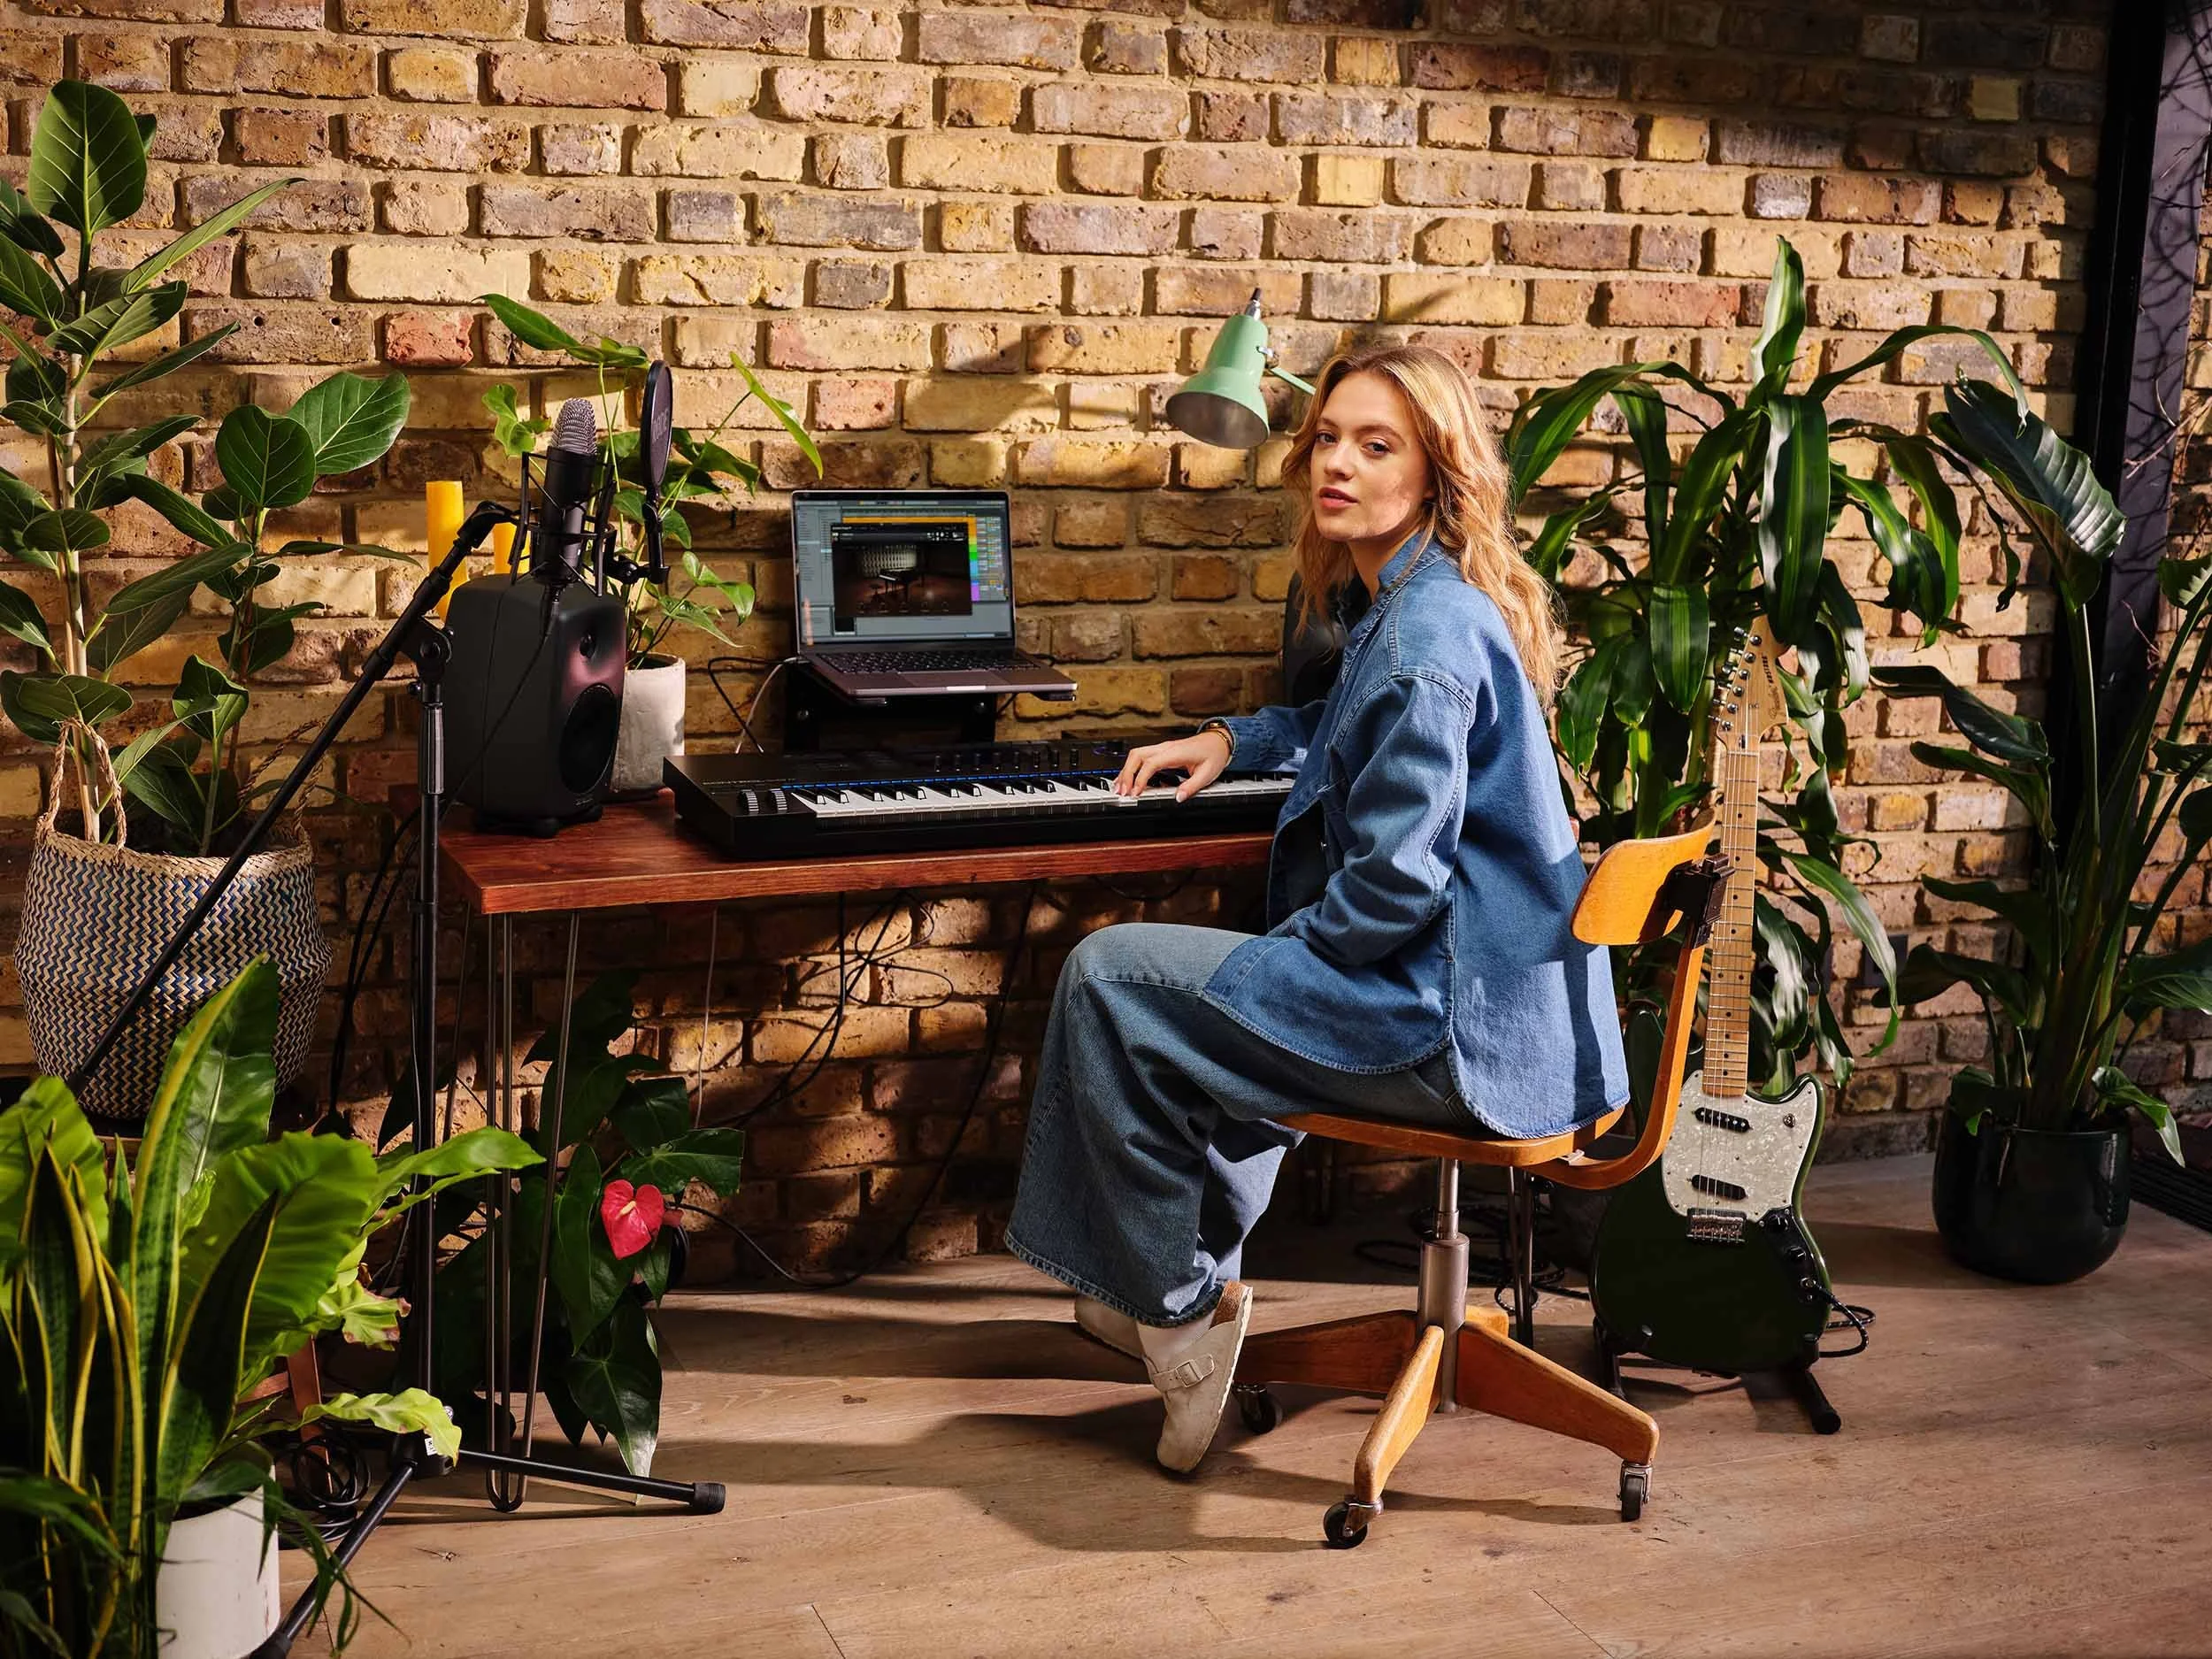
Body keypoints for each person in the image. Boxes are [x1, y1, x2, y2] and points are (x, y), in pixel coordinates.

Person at [1004, 342, 1629, 1476]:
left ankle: (1181, 1318)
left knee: (1111, 977)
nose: (1335, 462)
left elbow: (1393, 884)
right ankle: (1151, 1285)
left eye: (1375, 445)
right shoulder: (1423, 599)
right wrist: (1234, 739)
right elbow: (1341, 726)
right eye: (1328, 437)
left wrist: (1278, 963)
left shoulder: (1424, 639)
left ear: (1437, 473)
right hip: (1501, 1012)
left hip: (1449, 1032)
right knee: (1206, 996)